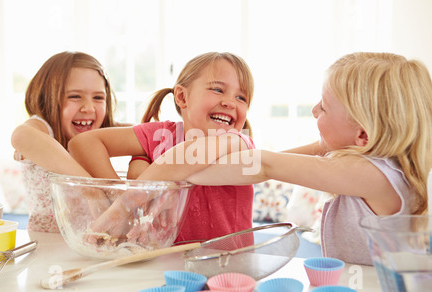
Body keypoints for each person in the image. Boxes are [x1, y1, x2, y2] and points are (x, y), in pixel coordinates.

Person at [184, 52, 432, 265]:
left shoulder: (371, 174)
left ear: (363, 134)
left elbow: (265, 164)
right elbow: (283, 159)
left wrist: (176, 169)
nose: (314, 111)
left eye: (323, 107)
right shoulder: (382, 165)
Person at [69, 52, 255, 243]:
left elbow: (192, 154)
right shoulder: (161, 136)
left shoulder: (240, 143)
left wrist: (131, 200)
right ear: (182, 97)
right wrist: (117, 194)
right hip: (166, 262)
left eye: (241, 97)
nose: (230, 102)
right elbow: (83, 143)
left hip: (230, 263)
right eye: (218, 90)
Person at [11, 51, 126, 232]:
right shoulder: (42, 129)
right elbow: (21, 136)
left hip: (95, 243)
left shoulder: (102, 133)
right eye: (75, 96)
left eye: (98, 97)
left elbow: (146, 135)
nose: (88, 108)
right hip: (47, 246)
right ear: (46, 97)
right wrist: (92, 191)